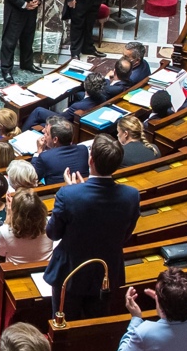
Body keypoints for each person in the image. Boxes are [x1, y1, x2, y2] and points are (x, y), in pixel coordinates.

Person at [45, 135, 139, 319]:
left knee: (65, 325)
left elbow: (53, 233)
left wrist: (72, 192)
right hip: (107, 271)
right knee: (96, 325)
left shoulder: (68, 194)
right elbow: (126, 234)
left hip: (70, 273)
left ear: (90, 160)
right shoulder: (131, 195)